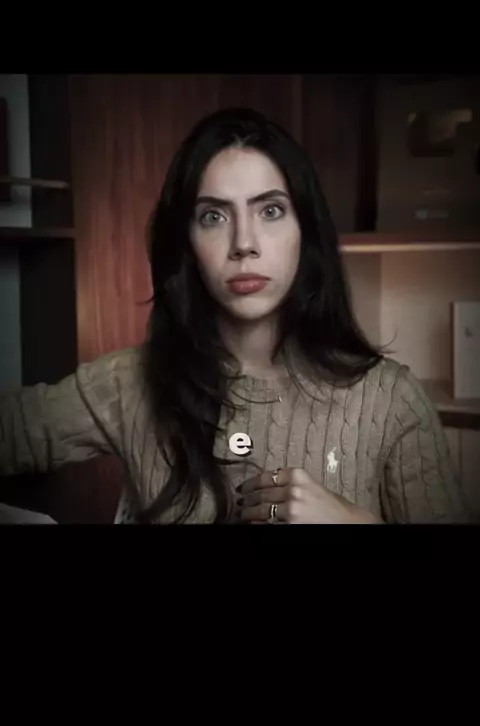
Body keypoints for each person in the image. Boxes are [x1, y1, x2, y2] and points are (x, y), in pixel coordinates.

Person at [0, 108, 471, 524]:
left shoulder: (391, 402)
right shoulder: (131, 381)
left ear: (306, 231)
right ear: (186, 243)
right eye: (214, 216)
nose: (244, 243)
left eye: (271, 210)